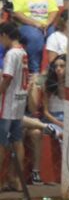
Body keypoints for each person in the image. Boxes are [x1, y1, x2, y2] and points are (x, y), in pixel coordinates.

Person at [10, 0, 59, 75]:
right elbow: (17, 13)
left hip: (46, 24)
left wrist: (47, 23)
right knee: (35, 37)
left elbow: (54, 10)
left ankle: (53, 70)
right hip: (25, 25)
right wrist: (35, 23)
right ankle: (34, 72)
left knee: (56, 36)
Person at [0, 22, 30, 190]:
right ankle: (16, 180)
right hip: (20, 102)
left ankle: (1, 180)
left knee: (2, 144)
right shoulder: (23, 52)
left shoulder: (11, 54)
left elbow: (8, 77)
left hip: (7, 104)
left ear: (4, 35)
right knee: (17, 142)